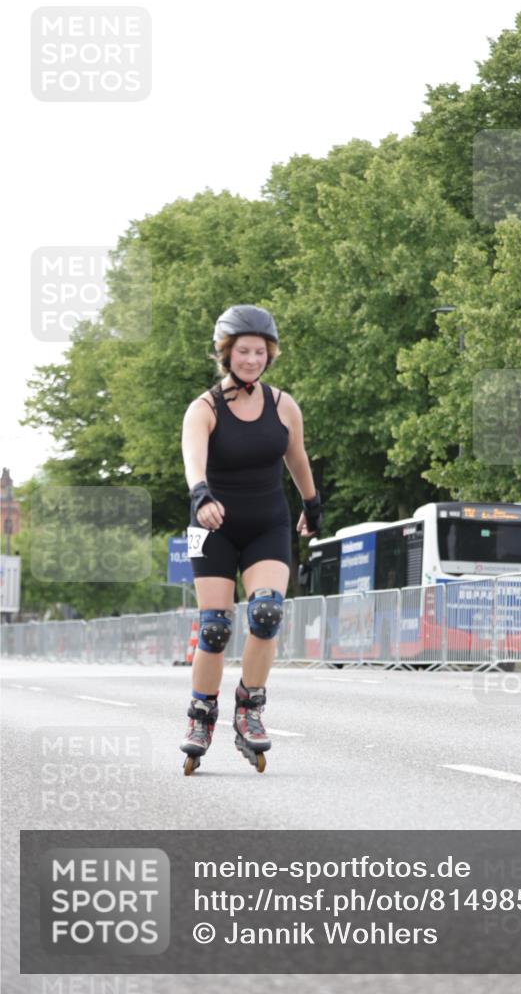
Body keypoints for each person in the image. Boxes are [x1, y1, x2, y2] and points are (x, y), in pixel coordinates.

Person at [179, 304, 322, 774]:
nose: (252, 359)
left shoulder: (284, 406)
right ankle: (202, 715)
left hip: (267, 524)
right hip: (213, 524)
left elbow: (296, 458)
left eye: (260, 352)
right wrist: (201, 495)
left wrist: (311, 503)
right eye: (243, 351)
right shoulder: (204, 409)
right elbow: (193, 461)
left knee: (266, 612)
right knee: (216, 626)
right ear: (226, 353)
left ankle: (250, 708)